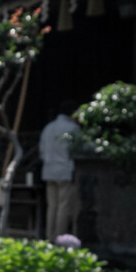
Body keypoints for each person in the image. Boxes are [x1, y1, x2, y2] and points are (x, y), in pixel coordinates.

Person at [39, 100, 80, 241]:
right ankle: (59, 238)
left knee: (52, 206)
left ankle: (49, 236)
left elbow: (42, 151)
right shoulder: (73, 128)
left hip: (49, 170)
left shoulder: (48, 128)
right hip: (64, 170)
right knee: (63, 206)